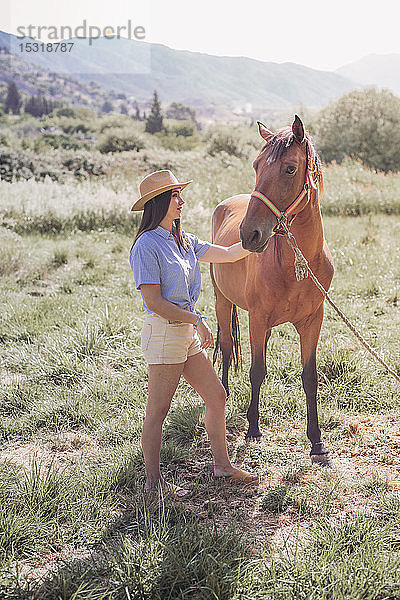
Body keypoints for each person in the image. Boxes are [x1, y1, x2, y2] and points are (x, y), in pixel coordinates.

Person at [129, 169, 258, 499]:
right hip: (165, 333)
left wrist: (263, 237)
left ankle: (222, 467)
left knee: (216, 396)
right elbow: (154, 302)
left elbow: (228, 254)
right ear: (159, 202)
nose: (181, 201)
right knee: (158, 411)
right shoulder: (146, 246)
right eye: (175, 196)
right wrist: (197, 320)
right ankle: (153, 484)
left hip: (184, 333)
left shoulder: (183, 240)